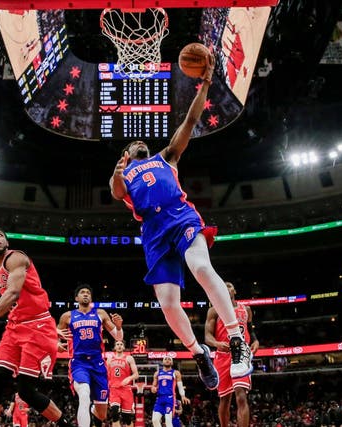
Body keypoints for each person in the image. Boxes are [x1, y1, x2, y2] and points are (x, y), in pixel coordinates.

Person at [109, 49, 252, 392]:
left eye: (143, 141)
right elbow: (115, 193)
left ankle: (236, 338)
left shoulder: (166, 156)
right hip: (154, 233)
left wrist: (204, 83)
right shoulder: (125, 175)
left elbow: (190, 121)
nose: (141, 142)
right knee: (169, 305)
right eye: (134, 143)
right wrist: (116, 172)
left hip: (180, 216)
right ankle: (198, 352)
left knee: (201, 267)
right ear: (126, 156)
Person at [0, 227, 69, 427]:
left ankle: (65, 424)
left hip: (37, 326)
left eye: (0, 235)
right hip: (15, 327)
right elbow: (12, 304)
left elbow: (13, 294)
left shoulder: (16, 258)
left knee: (26, 392)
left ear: (7, 243)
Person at [57, 284, 124, 427]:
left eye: (88, 292)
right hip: (79, 363)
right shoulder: (67, 316)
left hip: (98, 364)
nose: (85, 294)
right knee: (84, 394)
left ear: (91, 298)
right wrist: (56, 344)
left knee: (102, 414)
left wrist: (119, 327)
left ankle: (94, 409)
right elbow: (53, 337)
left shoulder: (100, 313)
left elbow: (118, 337)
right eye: (82, 292)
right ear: (77, 298)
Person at [204, 281, 259, 427]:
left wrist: (255, 341)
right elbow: (207, 336)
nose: (226, 289)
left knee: (241, 397)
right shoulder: (214, 310)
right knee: (225, 399)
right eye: (223, 287)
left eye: (229, 286)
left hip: (240, 355)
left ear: (234, 291)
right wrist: (216, 344)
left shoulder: (246, 309)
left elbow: (251, 331)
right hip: (222, 356)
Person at [106, 340, 139, 427]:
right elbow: (105, 375)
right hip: (114, 389)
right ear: (115, 347)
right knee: (114, 413)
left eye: (121, 344)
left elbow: (136, 374)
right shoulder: (109, 359)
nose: (119, 346)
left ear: (124, 347)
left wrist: (129, 378)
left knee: (127, 418)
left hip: (126, 389)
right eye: (117, 344)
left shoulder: (129, 358)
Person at [150, 356, 190, 427]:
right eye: (165, 359)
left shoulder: (176, 373)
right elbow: (153, 386)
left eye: (169, 359)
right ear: (163, 362)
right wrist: (153, 389)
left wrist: (183, 396)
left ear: (172, 362)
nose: (167, 360)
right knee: (155, 420)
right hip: (159, 399)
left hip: (170, 398)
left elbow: (180, 386)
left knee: (168, 420)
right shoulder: (157, 373)